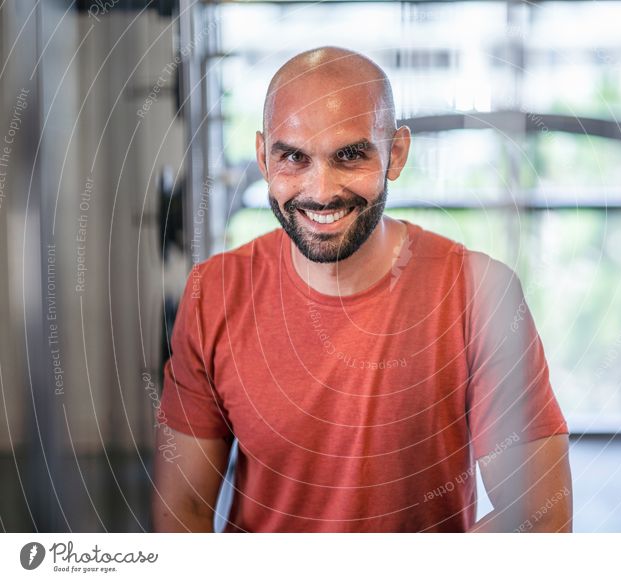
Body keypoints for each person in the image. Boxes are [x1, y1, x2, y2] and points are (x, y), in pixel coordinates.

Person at [152, 46, 572, 533]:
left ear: (395, 154)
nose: (321, 190)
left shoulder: (480, 294)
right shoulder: (215, 292)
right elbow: (181, 513)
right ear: (264, 158)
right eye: (293, 157)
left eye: (350, 155)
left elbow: (543, 519)